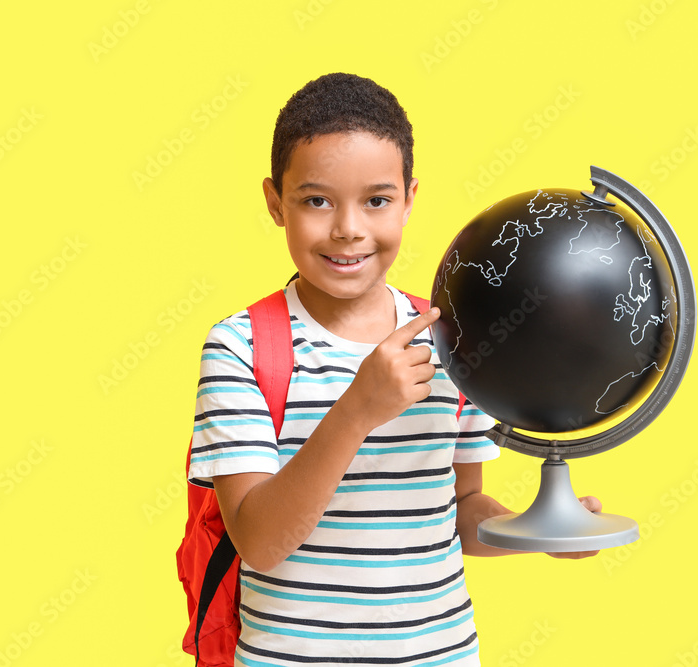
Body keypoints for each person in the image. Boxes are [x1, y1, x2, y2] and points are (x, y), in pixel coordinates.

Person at [187, 72, 600, 667]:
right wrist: (356, 412)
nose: (348, 228)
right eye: (316, 200)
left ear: (408, 198)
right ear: (276, 203)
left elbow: (460, 510)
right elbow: (260, 542)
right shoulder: (242, 347)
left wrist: (537, 531)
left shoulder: (456, 339)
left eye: (376, 200)